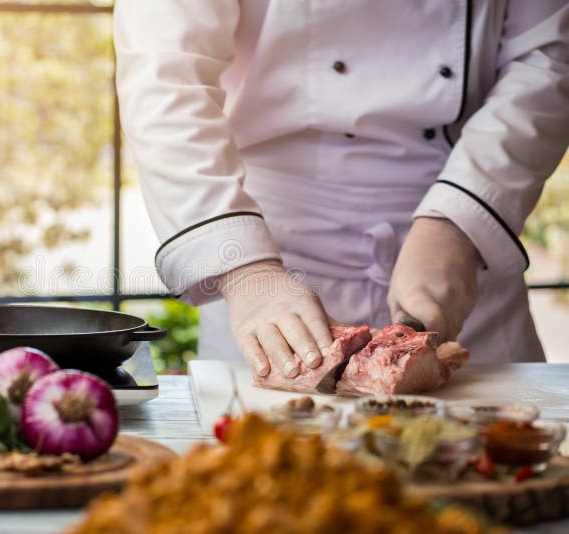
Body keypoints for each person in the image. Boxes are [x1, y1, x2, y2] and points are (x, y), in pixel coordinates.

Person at [113, 1, 569, 379]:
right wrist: (246, 270)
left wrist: (458, 224)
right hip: (273, 253)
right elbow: (165, 74)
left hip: (463, 261)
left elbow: (548, 59)